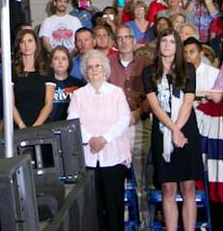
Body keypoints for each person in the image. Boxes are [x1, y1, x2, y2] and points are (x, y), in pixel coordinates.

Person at [143, 29, 204, 231]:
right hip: (162, 131)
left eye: (172, 41)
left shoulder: (187, 69)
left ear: (177, 46)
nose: (167, 45)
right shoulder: (149, 72)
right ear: (158, 44)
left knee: (188, 187)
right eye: (164, 41)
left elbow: (188, 101)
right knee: (168, 188)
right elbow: (154, 105)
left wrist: (177, 130)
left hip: (187, 130)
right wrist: (172, 129)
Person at [67, 51, 132, 231]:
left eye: (98, 66)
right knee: (91, 209)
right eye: (90, 67)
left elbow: (124, 119)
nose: (94, 70)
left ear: (105, 70)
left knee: (114, 208)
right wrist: (90, 139)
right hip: (88, 158)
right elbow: (73, 122)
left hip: (113, 156)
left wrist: (104, 139)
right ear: (85, 72)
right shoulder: (78, 95)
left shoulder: (116, 92)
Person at [108, 25, 151, 193]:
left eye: (127, 37)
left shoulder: (146, 64)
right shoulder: (107, 64)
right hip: (115, 126)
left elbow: (151, 96)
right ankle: (123, 216)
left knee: (140, 174)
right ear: (115, 42)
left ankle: (142, 217)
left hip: (140, 122)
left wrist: (137, 112)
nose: (124, 41)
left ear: (134, 41)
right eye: (120, 38)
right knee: (118, 172)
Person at [12, 29, 56, 129]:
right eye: (22, 42)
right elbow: (10, 104)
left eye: (30, 41)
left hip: (42, 126)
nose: (26, 45)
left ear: (36, 44)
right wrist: (21, 126)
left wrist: (35, 127)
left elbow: (48, 105)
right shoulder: (11, 71)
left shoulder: (47, 70)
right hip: (18, 127)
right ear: (18, 46)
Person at [48, 46, 85, 122]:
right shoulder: (45, 84)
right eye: (56, 58)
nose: (60, 62)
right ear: (51, 63)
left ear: (69, 62)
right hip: (49, 127)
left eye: (64, 59)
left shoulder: (79, 84)